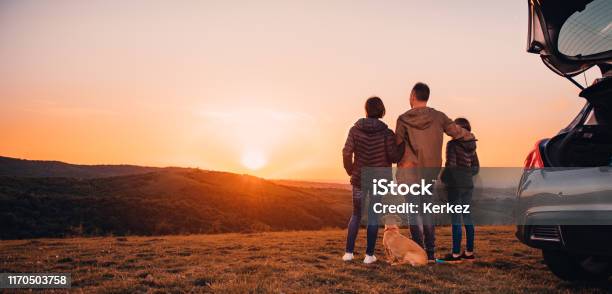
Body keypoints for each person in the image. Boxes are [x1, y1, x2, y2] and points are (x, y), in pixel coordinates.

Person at [395, 82, 473, 262]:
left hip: (409, 173)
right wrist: (471, 137)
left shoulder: (403, 119)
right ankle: (430, 253)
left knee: (413, 212)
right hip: (429, 173)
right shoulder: (439, 117)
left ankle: (418, 252)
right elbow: (457, 132)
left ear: (413, 96)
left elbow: (397, 147)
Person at [342, 96, 403, 264]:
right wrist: (402, 145)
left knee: (356, 214)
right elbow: (394, 155)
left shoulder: (355, 130)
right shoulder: (387, 133)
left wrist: (350, 170)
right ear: (382, 111)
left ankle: (348, 253)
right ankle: (369, 256)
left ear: (366, 110)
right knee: (373, 216)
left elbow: (346, 152)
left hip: (359, 178)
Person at [440, 118, 479, 263]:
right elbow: (476, 168)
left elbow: (451, 167)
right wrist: (467, 176)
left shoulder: (452, 145)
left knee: (456, 219)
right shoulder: (472, 145)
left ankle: (455, 254)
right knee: (467, 217)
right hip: (468, 186)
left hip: (455, 187)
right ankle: (469, 253)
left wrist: (443, 178)